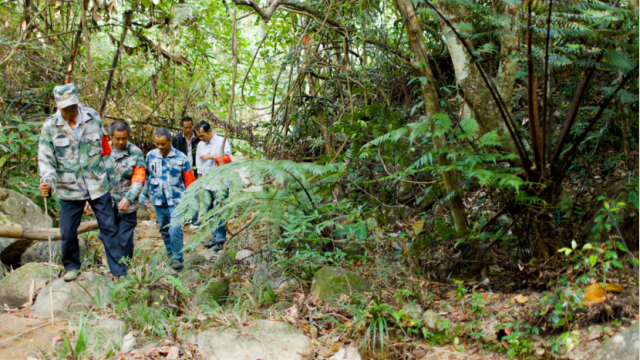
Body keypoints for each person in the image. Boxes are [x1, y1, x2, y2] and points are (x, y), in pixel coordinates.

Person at [38, 83, 127, 281]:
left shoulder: (92, 117)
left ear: (78, 102)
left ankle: (119, 272)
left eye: (72, 106)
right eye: (65, 107)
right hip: (69, 188)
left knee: (109, 229)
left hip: (97, 184)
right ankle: (72, 266)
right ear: (57, 104)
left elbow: (105, 149)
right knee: (68, 231)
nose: (69, 111)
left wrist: (112, 180)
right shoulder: (50, 126)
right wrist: (47, 181)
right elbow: (46, 158)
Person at [140, 128, 196, 271]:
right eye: (157, 144)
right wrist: (144, 196)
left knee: (175, 227)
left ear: (170, 141)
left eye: (163, 144)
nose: (160, 147)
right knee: (164, 229)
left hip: (177, 200)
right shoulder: (151, 156)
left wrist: (192, 200)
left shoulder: (181, 158)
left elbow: (190, 181)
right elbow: (146, 177)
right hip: (158, 200)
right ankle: (170, 254)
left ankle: (178, 258)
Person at [109, 121, 145, 260]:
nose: (121, 141)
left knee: (125, 238)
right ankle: (113, 266)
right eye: (117, 138)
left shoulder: (135, 152)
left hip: (128, 203)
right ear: (111, 137)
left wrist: (128, 198)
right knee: (109, 236)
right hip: (107, 202)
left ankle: (124, 267)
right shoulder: (103, 151)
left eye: (124, 138)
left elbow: (139, 178)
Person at [194, 120, 232, 251]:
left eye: (202, 135)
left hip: (220, 182)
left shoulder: (222, 141)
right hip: (206, 183)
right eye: (198, 136)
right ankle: (214, 236)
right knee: (209, 211)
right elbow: (198, 165)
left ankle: (221, 239)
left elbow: (228, 159)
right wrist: (199, 183)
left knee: (220, 210)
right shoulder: (200, 145)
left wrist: (211, 156)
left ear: (209, 131)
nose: (201, 139)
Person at [172, 116, 200, 226]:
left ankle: (195, 220)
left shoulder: (198, 138)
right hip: (181, 171)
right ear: (181, 127)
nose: (188, 130)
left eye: (190, 127)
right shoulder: (177, 139)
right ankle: (184, 218)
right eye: (186, 128)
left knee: (195, 195)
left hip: (195, 170)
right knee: (182, 195)